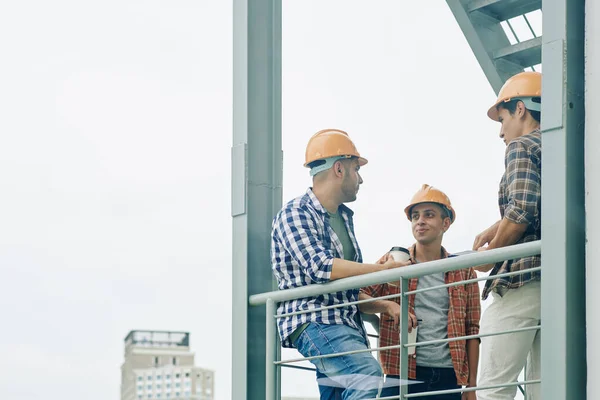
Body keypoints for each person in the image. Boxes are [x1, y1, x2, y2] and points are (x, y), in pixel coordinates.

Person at [271, 128, 409, 399]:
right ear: (338, 169)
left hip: (344, 323)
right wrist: (381, 271)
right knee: (367, 379)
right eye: (356, 169)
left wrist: (383, 304)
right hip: (315, 320)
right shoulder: (296, 213)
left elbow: (344, 287)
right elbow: (322, 267)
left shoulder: (343, 218)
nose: (360, 178)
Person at [360, 184, 480, 399]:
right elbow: (357, 296)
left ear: (446, 223)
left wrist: (471, 387)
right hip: (402, 372)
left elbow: (472, 329)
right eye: (415, 216)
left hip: (449, 376)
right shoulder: (394, 261)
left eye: (429, 215)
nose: (420, 221)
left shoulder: (464, 270)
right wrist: (389, 306)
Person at [473, 71, 542, 400]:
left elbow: (521, 212)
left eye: (502, 119)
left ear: (520, 110)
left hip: (521, 280)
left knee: (492, 389)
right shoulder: (565, 147)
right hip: (556, 281)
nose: (501, 132)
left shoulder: (522, 146)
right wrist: (495, 227)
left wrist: (491, 256)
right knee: (546, 388)